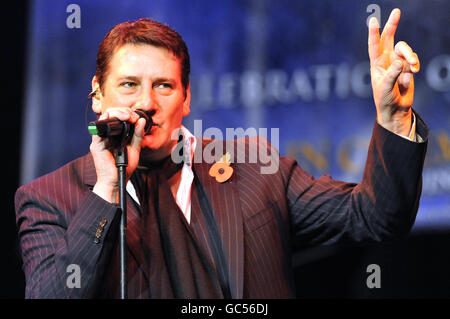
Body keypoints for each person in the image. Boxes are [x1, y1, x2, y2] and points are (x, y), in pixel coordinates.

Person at [15, 8, 428, 298]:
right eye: (128, 85)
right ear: (97, 95)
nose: (146, 102)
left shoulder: (255, 169)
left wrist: (393, 117)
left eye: (163, 85)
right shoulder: (50, 197)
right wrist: (107, 188)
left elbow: (375, 217)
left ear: (187, 98)